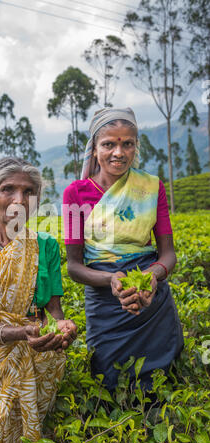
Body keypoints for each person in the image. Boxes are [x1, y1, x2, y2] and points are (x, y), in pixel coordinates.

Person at [0, 157, 77, 443]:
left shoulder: (46, 246)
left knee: (33, 438)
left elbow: (54, 311)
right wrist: (22, 333)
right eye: (8, 189)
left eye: (29, 192)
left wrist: (63, 328)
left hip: (38, 359)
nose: (19, 200)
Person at [63, 107, 183, 394]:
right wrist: (112, 281)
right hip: (106, 302)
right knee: (108, 386)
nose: (119, 152)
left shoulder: (151, 188)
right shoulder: (76, 193)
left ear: (135, 147)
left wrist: (152, 277)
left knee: (162, 390)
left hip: (151, 299)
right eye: (109, 144)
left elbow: (168, 254)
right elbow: (74, 266)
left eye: (127, 143)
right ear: (94, 149)